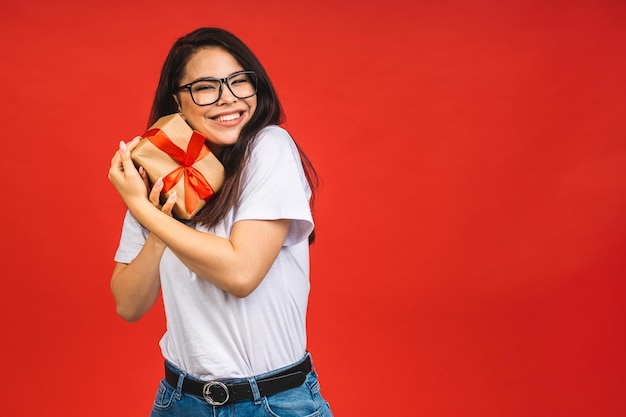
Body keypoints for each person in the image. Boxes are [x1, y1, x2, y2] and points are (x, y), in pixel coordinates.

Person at [108, 27, 333, 417]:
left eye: (239, 80)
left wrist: (140, 207)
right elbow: (128, 304)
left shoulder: (270, 148)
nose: (228, 97)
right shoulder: (161, 169)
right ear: (178, 102)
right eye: (206, 87)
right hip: (181, 401)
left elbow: (241, 273)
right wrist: (160, 224)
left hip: (272, 403)